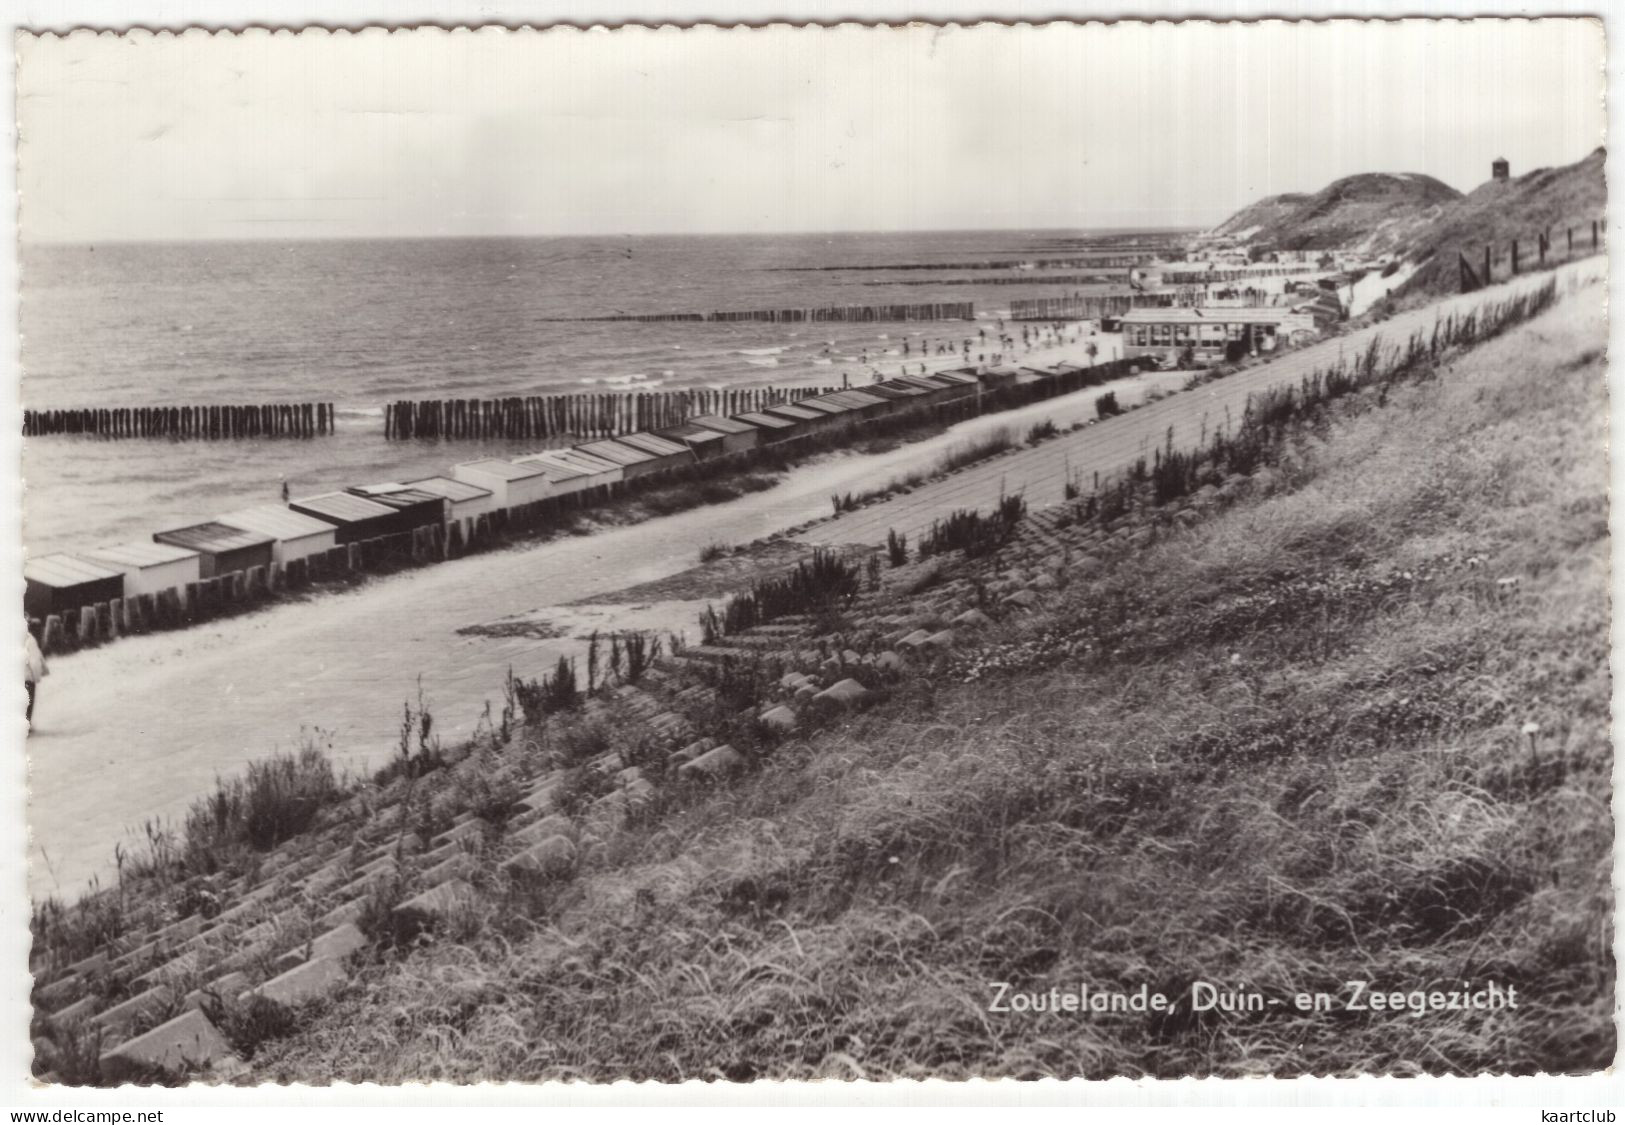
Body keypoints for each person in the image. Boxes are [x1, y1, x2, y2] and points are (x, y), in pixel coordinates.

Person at [25, 629, 46, 727]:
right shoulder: (29, 639)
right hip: (27, 677)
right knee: (28, 702)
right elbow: (35, 661)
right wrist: (36, 676)